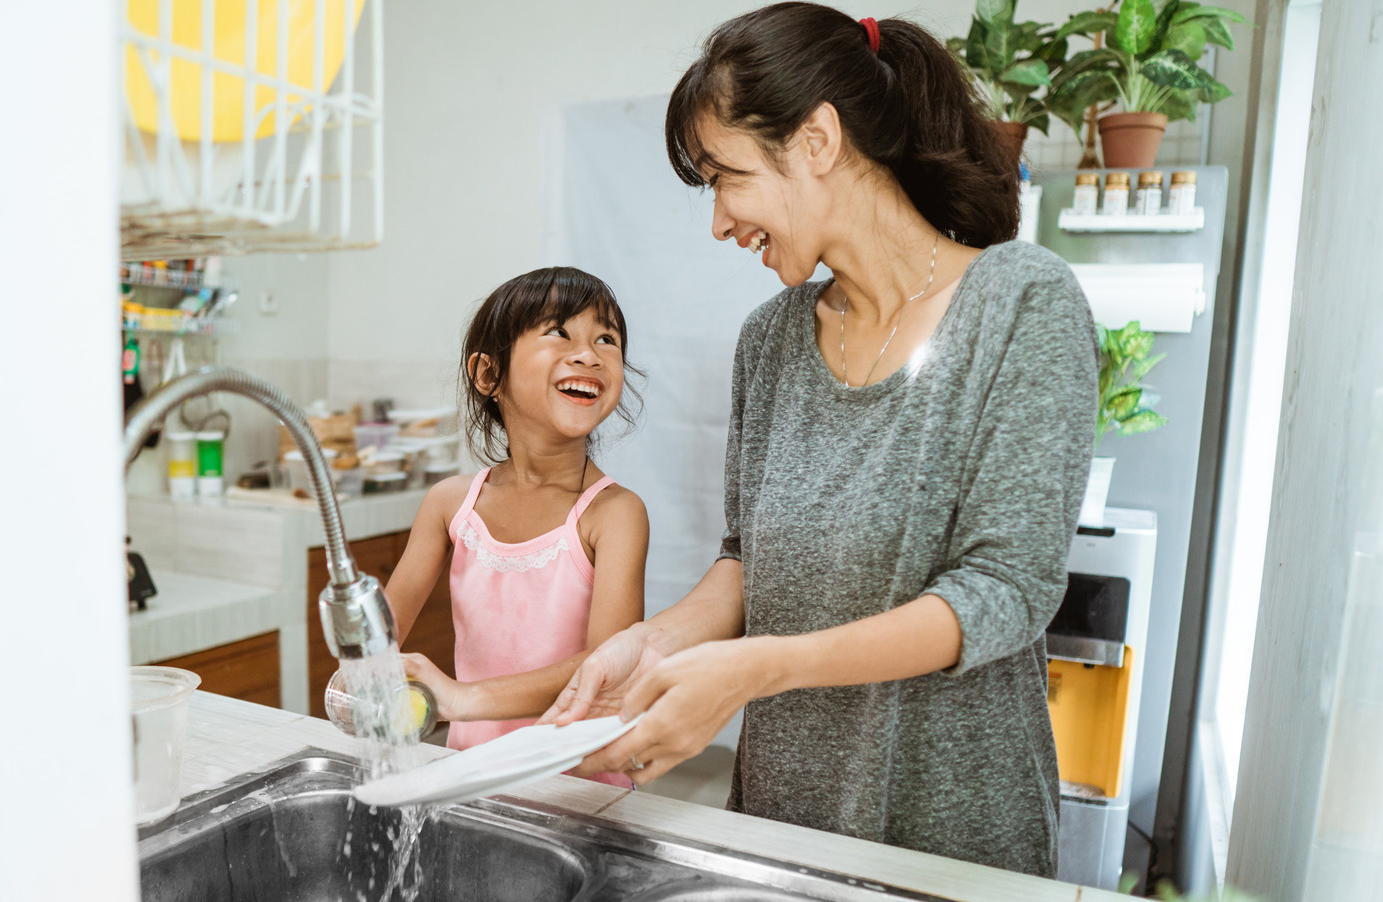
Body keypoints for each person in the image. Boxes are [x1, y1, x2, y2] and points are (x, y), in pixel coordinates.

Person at [540, 2, 1097, 876]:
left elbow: (1005, 590)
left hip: (949, 834)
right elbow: (744, 561)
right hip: (780, 823)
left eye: (726, 177)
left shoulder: (1022, 303)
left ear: (817, 141)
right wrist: (652, 646)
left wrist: (755, 669)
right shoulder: (770, 339)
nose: (721, 221)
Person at [385, 266, 649, 789]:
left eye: (607, 338)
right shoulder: (450, 503)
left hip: (580, 784)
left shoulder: (614, 513)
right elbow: (380, 634)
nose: (589, 353)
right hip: (470, 773)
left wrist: (460, 697)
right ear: (488, 374)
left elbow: (605, 668)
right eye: (560, 332)